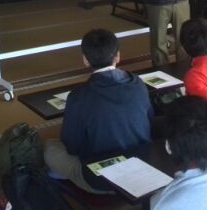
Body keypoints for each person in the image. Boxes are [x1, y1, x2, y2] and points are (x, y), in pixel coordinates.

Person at [44, 29, 154, 193]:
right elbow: (149, 120)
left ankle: (65, 176)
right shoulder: (137, 84)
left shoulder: (79, 96)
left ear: (85, 60)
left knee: (49, 148)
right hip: (144, 169)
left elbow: (72, 146)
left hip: (101, 181)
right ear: (118, 56)